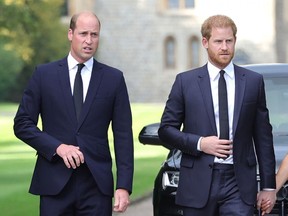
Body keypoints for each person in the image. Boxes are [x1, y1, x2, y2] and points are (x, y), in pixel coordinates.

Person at [13, 11, 134, 216]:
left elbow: (123, 136)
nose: (89, 41)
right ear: (70, 34)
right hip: (54, 184)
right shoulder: (44, 75)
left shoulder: (114, 79)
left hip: (96, 186)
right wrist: (57, 147)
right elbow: (22, 124)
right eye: (83, 33)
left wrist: (123, 186)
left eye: (94, 35)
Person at [158, 14, 276, 216]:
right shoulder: (185, 82)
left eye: (229, 41)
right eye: (218, 41)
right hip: (198, 182)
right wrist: (200, 143)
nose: (224, 47)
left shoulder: (253, 82)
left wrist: (268, 187)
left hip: (238, 184)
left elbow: (263, 137)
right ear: (205, 42)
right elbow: (166, 131)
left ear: (235, 41)